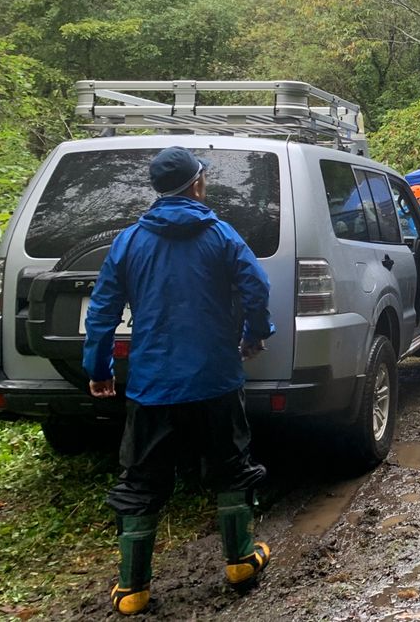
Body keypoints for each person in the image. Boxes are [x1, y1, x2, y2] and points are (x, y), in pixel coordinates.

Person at [82, 147, 274, 616]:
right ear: (197, 183)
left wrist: (99, 370)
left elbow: (103, 310)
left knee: (142, 478)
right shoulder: (221, 235)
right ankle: (240, 562)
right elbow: (257, 287)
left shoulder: (128, 241)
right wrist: (253, 335)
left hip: (153, 383)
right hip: (215, 378)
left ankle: (133, 589)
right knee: (230, 466)